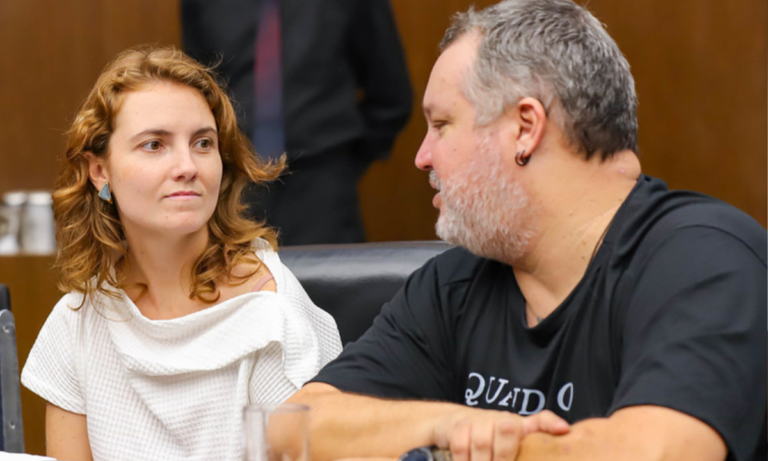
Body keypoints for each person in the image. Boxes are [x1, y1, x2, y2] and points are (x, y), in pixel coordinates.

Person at [287, 1, 768, 460]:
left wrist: (451, 452)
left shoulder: (705, 258)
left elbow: (656, 453)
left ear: (525, 128)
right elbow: (289, 430)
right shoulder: (453, 285)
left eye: (442, 124)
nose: (422, 157)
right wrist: (453, 427)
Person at [20, 46, 342, 461]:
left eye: (203, 143)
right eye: (155, 145)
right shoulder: (78, 321)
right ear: (100, 171)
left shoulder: (269, 313)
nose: (188, 166)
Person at [181, 0, 413, 245]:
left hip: (322, 180)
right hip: (234, 179)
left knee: (328, 269)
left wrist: (348, 160)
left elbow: (390, 93)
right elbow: (199, 89)